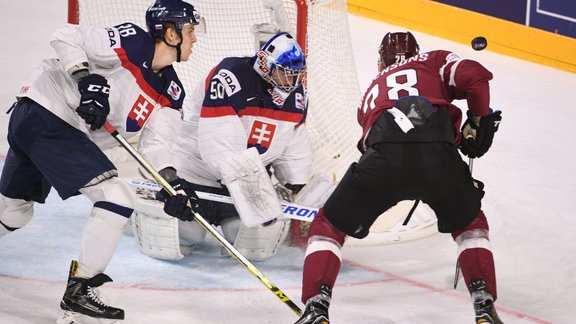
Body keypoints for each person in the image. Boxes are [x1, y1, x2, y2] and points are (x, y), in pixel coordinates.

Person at [0, 0, 205, 322]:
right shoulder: (132, 40)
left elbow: (157, 143)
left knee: (14, 213)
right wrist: (84, 79)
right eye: (191, 31)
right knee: (117, 196)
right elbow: (65, 35)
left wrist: (171, 183)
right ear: (169, 33)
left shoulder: (170, 91)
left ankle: (77, 294)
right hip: (48, 114)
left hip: (47, 127)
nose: (195, 39)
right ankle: (79, 290)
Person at [293, 31, 504, 324]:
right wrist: (478, 120)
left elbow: (375, 142)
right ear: (417, 52)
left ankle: (316, 307)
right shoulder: (433, 61)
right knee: (471, 224)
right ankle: (483, 302)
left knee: (328, 225)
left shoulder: (370, 92)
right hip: (439, 160)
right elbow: (476, 76)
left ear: (381, 62)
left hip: (383, 161)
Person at [135, 31, 313, 261]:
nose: (291, 83)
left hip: (239, 185)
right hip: (194, 176)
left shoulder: (297, 96)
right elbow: (220, 149)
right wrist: (258, 199)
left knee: (254, 246)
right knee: (184, 236)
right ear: (265, 65)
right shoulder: (231, 76)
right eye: (284, 74)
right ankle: (147, 200)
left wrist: (293, 185)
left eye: (296, 76)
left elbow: (294, 140)